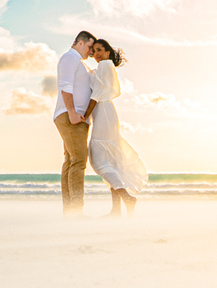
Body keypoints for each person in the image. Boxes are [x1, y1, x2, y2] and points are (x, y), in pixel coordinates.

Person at [85, 38, 148, 217]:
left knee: (98, 160)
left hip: (103, 110)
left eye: (99, 50)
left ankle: (127, 198)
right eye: (93, 51)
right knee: (111, 162)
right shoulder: (103, 67)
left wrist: (85, 115)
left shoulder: (105, 65)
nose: (96, 54)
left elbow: (96, 94)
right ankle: (116, 210)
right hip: (105, 113)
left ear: (107, 52)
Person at [53, 30, 95, 216]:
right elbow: (65, 85)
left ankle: (70, 212)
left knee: (71, 161)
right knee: (78, 160)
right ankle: (76, 212)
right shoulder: (69, 58)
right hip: (71, 116)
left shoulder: (80, 63)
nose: (91, 52)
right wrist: (71, 111)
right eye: (89, 47)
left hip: (77, 118)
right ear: (79, 43)